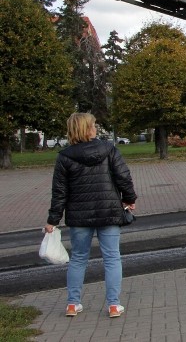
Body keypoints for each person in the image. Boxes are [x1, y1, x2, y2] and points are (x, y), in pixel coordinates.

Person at [45, 112, 137, 319]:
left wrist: (53, 220)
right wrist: (129, 199)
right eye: (94, 125)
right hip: (109, 211)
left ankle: (72, 304)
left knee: (78, 258)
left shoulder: (64, 157)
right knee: (112, 257)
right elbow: (124, 177)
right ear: (88, 129)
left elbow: (60, 192)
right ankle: (114, 305)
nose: (96, 128)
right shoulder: (109, 150)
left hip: (79, 216)